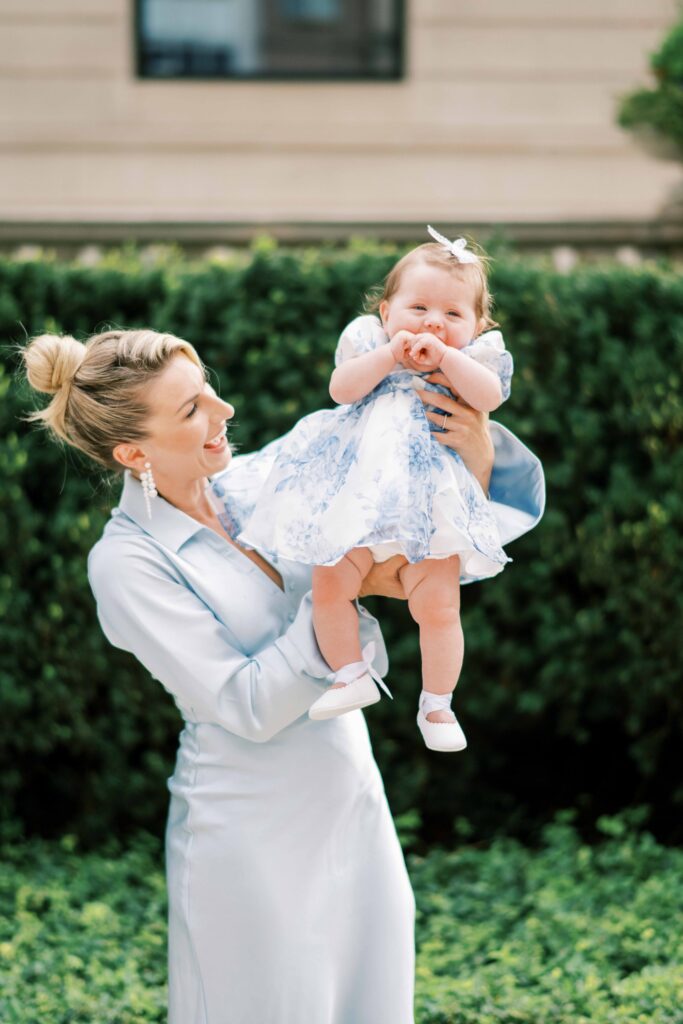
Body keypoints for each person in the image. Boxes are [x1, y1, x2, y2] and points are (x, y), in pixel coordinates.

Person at [22, 322, 543, 1024]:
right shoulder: (127, 562)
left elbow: (420, 519)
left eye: (207, 388)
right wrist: (343, 592)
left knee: (374, 1002)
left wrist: (475, 452)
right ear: (130, 452)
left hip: (349, 796)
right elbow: (247, 704)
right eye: (191, 409)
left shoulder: (265, 478)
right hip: (247, 833)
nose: (223, 411)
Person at [239, 227, 541, 754]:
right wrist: (389, 358)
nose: (432, 322)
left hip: (430, 515)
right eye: (418, 307)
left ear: (478, 328)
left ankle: (438, 702)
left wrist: (447, 358)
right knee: (331, 584)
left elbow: (490, 396)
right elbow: (340, 389)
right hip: (358, 507)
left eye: (453, 315)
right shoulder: (369, 346)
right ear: (385, 314)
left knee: (440, 606)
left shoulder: (472, 361)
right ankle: (350, 673)